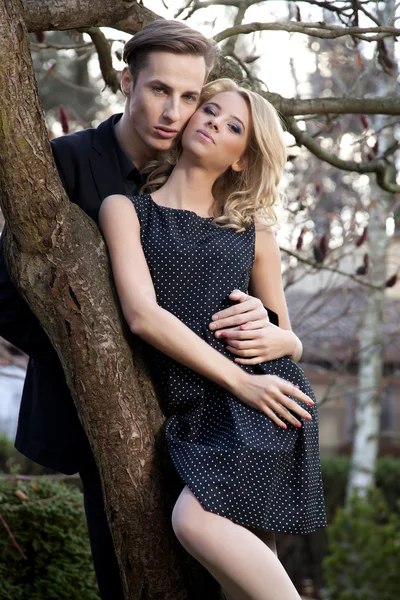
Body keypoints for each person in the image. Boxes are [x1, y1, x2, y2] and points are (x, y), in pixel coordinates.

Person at [0, 21, 303, 600]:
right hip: (102, 404)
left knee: (225, 570)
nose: (177, 111)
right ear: (126, 82)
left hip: (217, 403)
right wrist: (97, 358)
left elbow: (273, 314)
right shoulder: (63, 166)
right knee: (131, 569)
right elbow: (8, 292)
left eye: (191, 97)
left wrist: (280, 339)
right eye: (161, 90)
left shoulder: (224, 206)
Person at [99, 78, 327, 600]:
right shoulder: (127, 211)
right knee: (240, 583)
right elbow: (143, 317)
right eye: (210, 110)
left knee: (195, 523)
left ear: (242, 158)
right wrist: (241, 381)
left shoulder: (254, 231)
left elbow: (289, 340)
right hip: (200, 404)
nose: (211, 122)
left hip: (265, 404)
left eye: (233, 127)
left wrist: (278, 344)